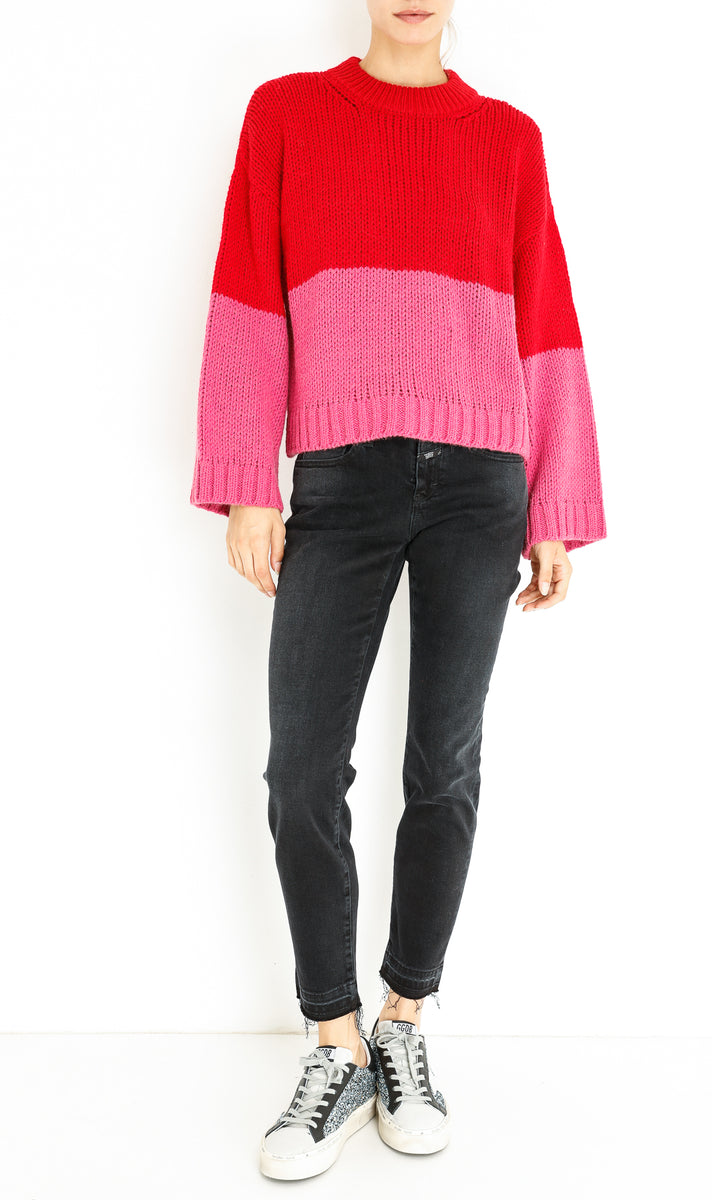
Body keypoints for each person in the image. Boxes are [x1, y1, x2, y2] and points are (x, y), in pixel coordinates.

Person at [189, 0, 607, 1181]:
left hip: (481, 484)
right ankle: (333, 1043)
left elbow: (544, 316)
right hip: (339, 478)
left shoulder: (507, 139)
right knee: (300, 771)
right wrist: (248, 479)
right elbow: (246, 289)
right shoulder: (285, 115)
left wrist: (554, 503)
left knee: (445, 765)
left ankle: (403, 1020)